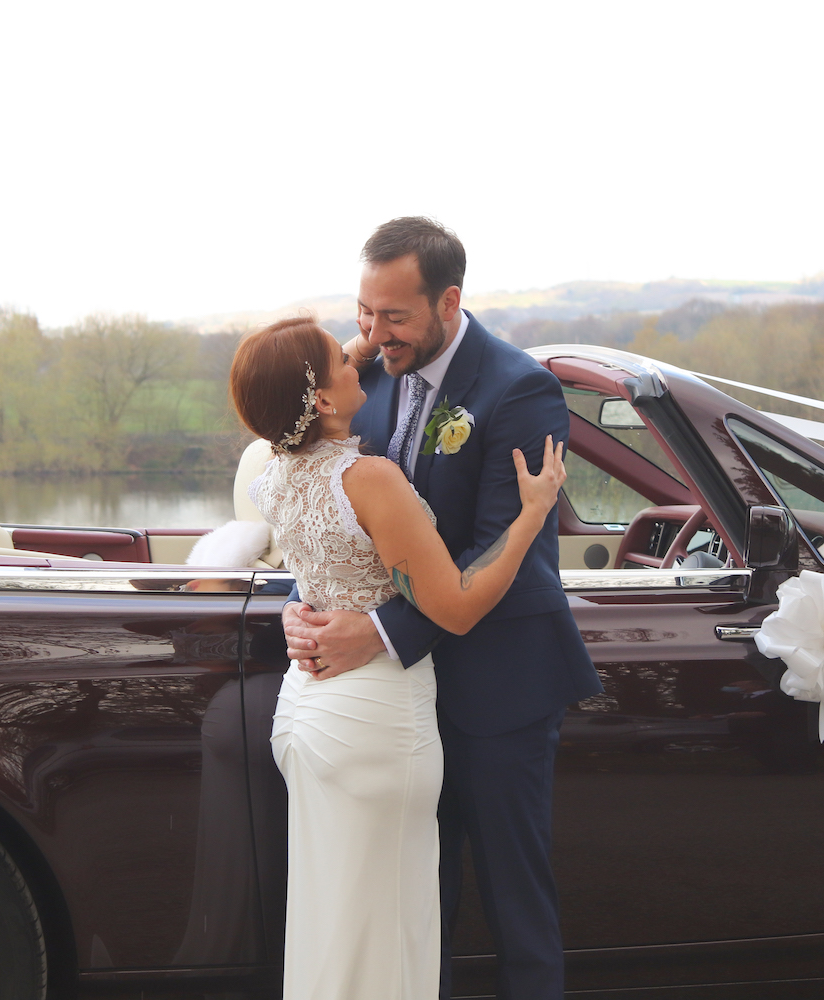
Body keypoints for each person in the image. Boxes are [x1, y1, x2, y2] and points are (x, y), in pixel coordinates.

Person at [283, 218, 603, 1000]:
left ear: (448, 301)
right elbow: (338, 510)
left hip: (497, 685)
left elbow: (498, 547)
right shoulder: (368, 378)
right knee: (417, 905)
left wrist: (381, 631)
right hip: (392, 709)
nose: (372, 331)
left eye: (394, 316)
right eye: (363, 310)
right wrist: (305, 603)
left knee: (513, 901)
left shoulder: (519, 389)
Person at [232, 316, 565, 1000]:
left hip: (310, 710)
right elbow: (458, 604)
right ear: (320, 398)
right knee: (388, 922)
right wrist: (533, 515)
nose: (366, 350)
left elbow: (323, 555)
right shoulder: (370, 477)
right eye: (345, 353)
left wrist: (332, 353)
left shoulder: (276, 471)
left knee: (338, 918)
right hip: (373, 722)